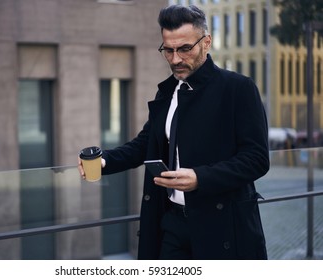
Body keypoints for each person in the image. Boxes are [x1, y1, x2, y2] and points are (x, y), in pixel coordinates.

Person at [78, 4, 269, 260]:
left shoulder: (238, 89)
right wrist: (105, 161)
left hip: (222, 225)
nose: (176, 59)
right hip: (173, 222)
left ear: (207, 42)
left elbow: (257, 159)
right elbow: (145, 143)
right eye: (168, 50)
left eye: (185, 49)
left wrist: (200, 178)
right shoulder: (168, 91)